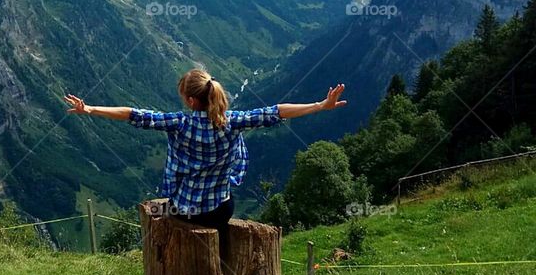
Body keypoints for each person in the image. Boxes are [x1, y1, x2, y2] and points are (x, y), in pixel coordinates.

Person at [63, 69, 347, 245]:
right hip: (221, 208)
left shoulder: (179, 123)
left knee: (160, 211)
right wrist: (320, 105)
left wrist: (89, 109)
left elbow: (133, 115)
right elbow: (276, 112)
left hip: (183, 209)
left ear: (190, 101)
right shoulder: (233, 121)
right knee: (220, 247)